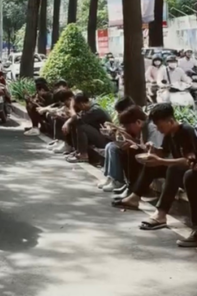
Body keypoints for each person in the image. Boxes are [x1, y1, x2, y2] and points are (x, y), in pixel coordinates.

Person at [113, 103, 197, 236]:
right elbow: (163, 152)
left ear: (170, 121)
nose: (158, 129)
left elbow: (189, 161)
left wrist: (162, 161)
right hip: (178, 171)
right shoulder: (169, 134)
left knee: (173, 169)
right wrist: (152, 150)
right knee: (151, 163)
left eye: (160, 126)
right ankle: (135, 197)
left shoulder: (186, 131)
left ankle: (161, 214)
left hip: (187, 172)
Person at [97, 96, 135, 192]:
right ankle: (110, 176)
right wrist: (111, 132)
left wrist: (117, 130)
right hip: (127, 142)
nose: (118, 114)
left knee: (113, 148)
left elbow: (131, 136)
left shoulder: (134, 117)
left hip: (133, 144)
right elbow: (120, 135)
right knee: (109, 146)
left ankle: (118, 180)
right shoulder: (125, 117)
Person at [62, 92, 111, 163]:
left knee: (82, 127)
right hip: (98, 135)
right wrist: (67, 123)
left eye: (78, 106)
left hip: (105, 140)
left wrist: (71, 107)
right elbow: (76, 118)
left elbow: (77, 119)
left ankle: (83, 155)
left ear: (81, 104)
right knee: (74, 124)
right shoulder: (88, 109)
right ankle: (77, 151)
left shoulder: (96, 110)